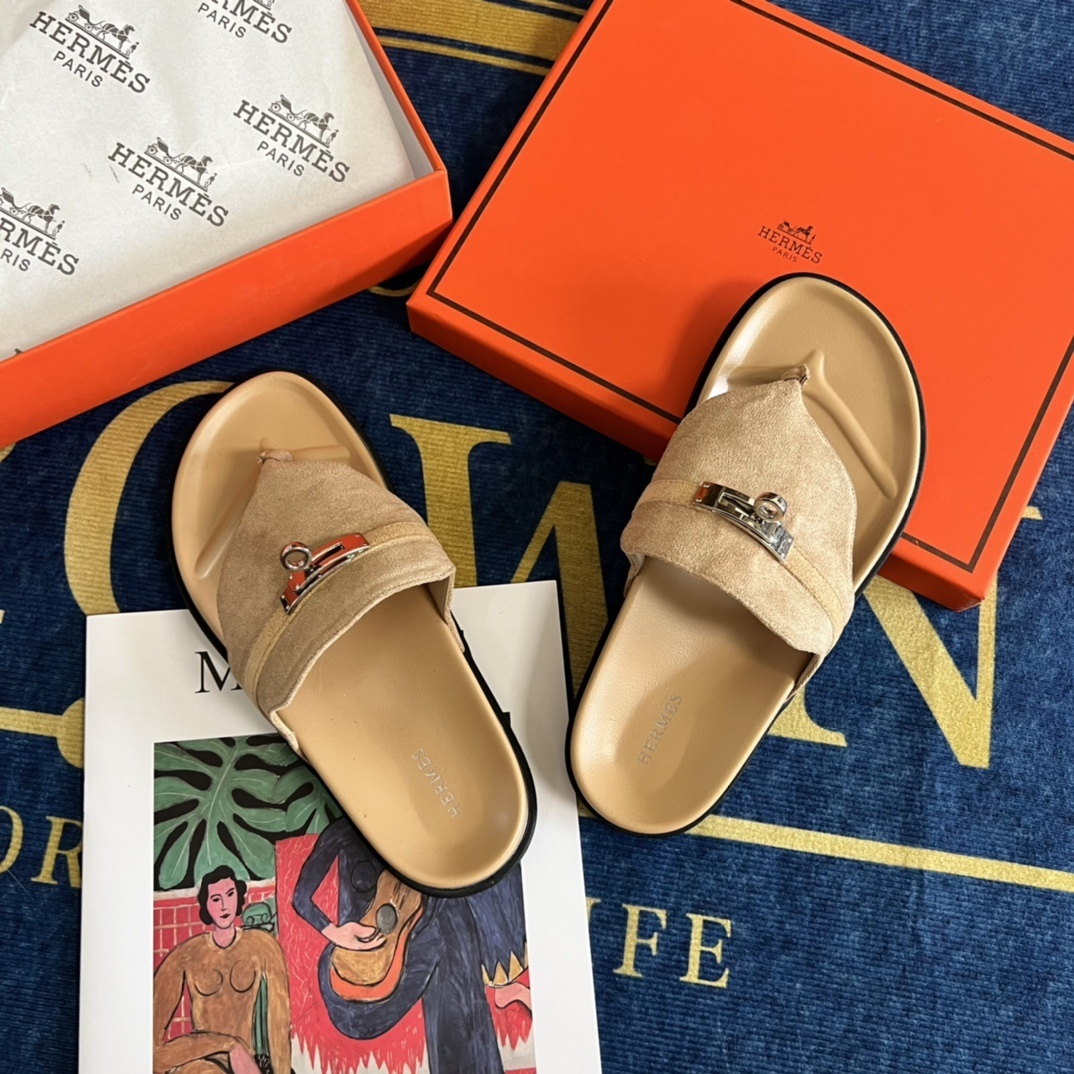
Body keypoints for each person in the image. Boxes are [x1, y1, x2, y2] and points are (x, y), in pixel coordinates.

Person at [153, 866, 292, 1074]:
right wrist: (228, 1045)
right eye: (216, 899)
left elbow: (279, 1024)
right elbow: (152, 1052)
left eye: (229, 894)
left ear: (238, 896)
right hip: (200, 1065)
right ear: (206, 906)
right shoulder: (186, 954)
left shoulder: (262, 946)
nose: (224, 905)